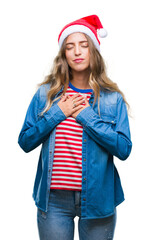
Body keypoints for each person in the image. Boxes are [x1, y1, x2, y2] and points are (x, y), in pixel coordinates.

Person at [18, 15, 132, 240]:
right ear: (64, 55)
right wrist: (57, 113)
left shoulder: (112, 99)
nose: (77, 52)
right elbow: (25, 141)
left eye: (84, 45)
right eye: (70, 47)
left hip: (99, 199)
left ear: (94, 51)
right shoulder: (46, 95)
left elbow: (124, 149)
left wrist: (86, 116)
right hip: (53, 202)